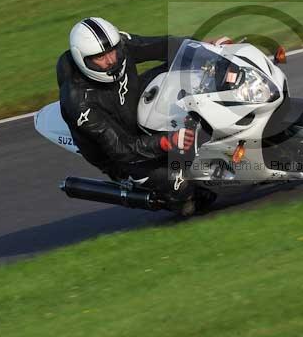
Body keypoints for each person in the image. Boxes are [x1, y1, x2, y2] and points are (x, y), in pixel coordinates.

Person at [56, 17, 198, 211]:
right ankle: (174, 200)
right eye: (100, 57)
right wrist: (165, 142)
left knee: (188, 71)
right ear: (83, 60)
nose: (110, 61)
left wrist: (204, 47)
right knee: (185, 188)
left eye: (112, 51)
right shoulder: (78, 101)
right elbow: (121, 148)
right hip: (123, 153)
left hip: (132, 105)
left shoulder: (119, 46)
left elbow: (161, 45)